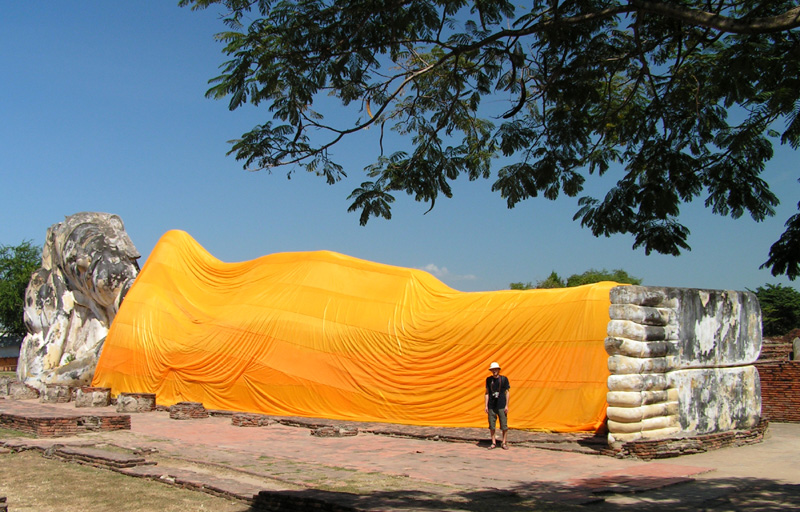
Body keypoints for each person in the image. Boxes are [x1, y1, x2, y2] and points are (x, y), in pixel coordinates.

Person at [484, 361, 510, 449]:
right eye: (493, 369)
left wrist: (507, 405)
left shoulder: (504, 379)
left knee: (504, 425)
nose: (494, 371)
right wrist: (486, 406)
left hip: (501, 405)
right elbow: (487, 393)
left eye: (496, 369)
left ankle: (504, 442)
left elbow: (507, 392)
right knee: (492, 425)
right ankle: (493, 442)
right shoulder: (488, 380)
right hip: (491, 405)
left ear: (498, 370)